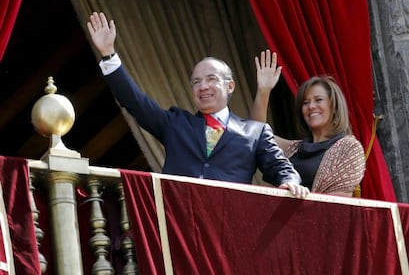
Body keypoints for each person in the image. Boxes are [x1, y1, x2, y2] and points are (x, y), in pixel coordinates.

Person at [86, 12, 309, 198]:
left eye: (211, 79)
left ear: (230, 86)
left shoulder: (255, 132)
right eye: (196, 81)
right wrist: (108, 54)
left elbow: (281, 169)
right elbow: (135, 101)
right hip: (178, 226)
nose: (203, 86)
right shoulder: (175, 123)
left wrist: (290, 182)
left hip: (227, 230)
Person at [250, 49, 366, 197]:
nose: (311, 106)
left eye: (318, 100)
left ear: (334, 106)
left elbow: (338, 204)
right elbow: (257, 134)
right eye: (306, 102)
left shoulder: (349, 147)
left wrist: (303, 196)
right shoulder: (294, 148)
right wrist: (263, 90)